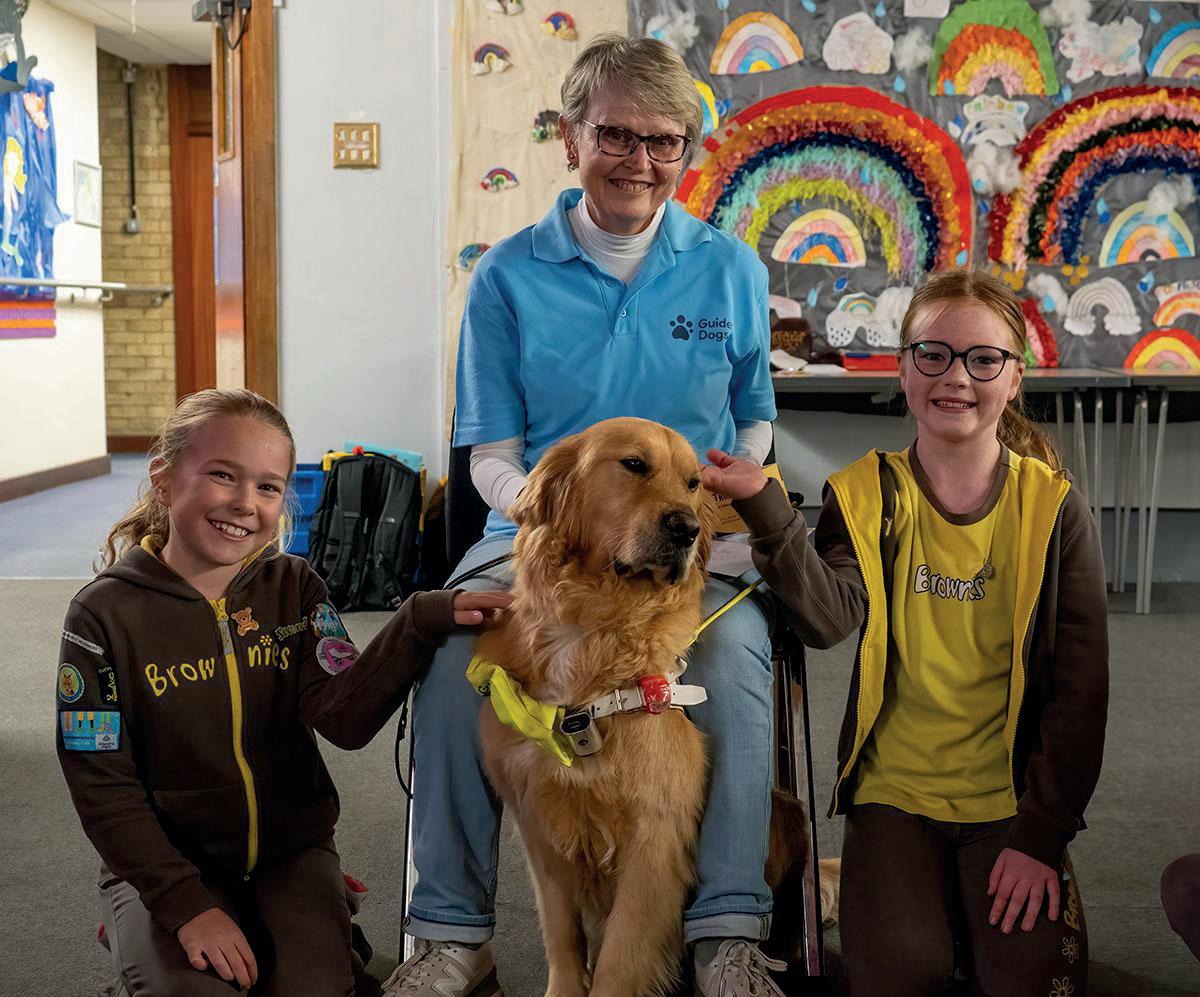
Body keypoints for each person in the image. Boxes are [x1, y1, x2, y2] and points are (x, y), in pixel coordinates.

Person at [387, 33, 784, 997]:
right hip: (537, 537)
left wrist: (725, 492)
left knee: (735, 661)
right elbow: (489, 451)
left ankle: (726, 931)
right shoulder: (506, 275)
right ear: (570, 137)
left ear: (686, 150)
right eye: (615, 135)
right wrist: (541, 510)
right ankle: (450, 932)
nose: (639, 161)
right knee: (451, 661)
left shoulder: (731, 269)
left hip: (687, 540)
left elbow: (756, 420)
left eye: (664, 140)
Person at [702, 271, 1109, 996]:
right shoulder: (864, 493)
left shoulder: (1054, 508)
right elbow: (828, 618)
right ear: (904, 367)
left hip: (1009, 799)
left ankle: (968, 910)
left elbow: (1081, 692)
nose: (956, 376)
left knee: (1034, 982)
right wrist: (766, 506)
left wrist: (1041, 836)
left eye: (983, 358)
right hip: (894, 795)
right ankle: (931, 905)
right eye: (933, 354)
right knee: (898, 976)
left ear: (1014, 377)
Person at [56, 388, 509, 997]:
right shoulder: (101, 615)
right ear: (163, 478)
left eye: (268, 487)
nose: (245, 503)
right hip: (166, 864)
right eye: (222, 475)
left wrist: (417, 619)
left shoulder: (295, 587)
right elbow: (102, 786)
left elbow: (344, 719)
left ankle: (316, 920)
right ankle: (138, 922)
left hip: (288, 850)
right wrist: (182, 904)